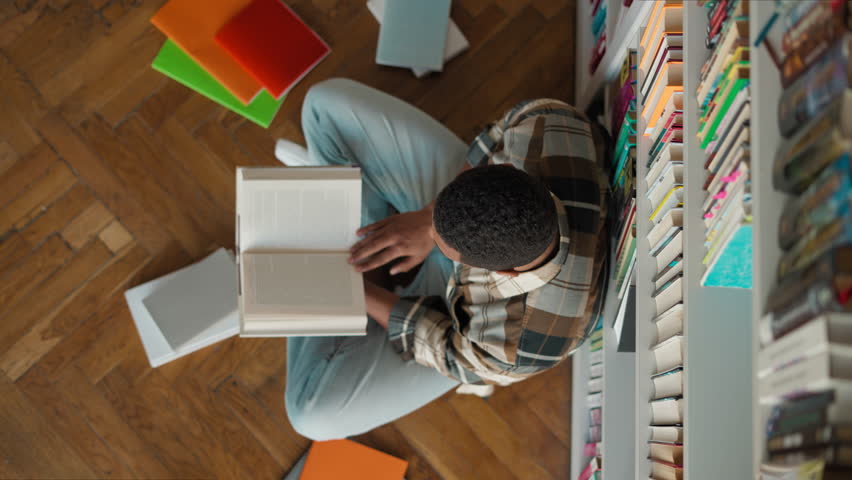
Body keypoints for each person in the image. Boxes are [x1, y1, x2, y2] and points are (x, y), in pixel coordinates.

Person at [282, 78, 608, 441]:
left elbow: (447, 350)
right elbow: (488, 142)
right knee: (322, 104)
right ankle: (363, 215)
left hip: (465, 326)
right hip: (476, 218)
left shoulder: (518, 347)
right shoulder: (549, 121)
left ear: (499, 271)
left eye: (442, 241)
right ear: (510, 173)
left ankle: (358, 214)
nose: (433, 236)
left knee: (311, 416)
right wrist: (425, 219)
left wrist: (353, 291)